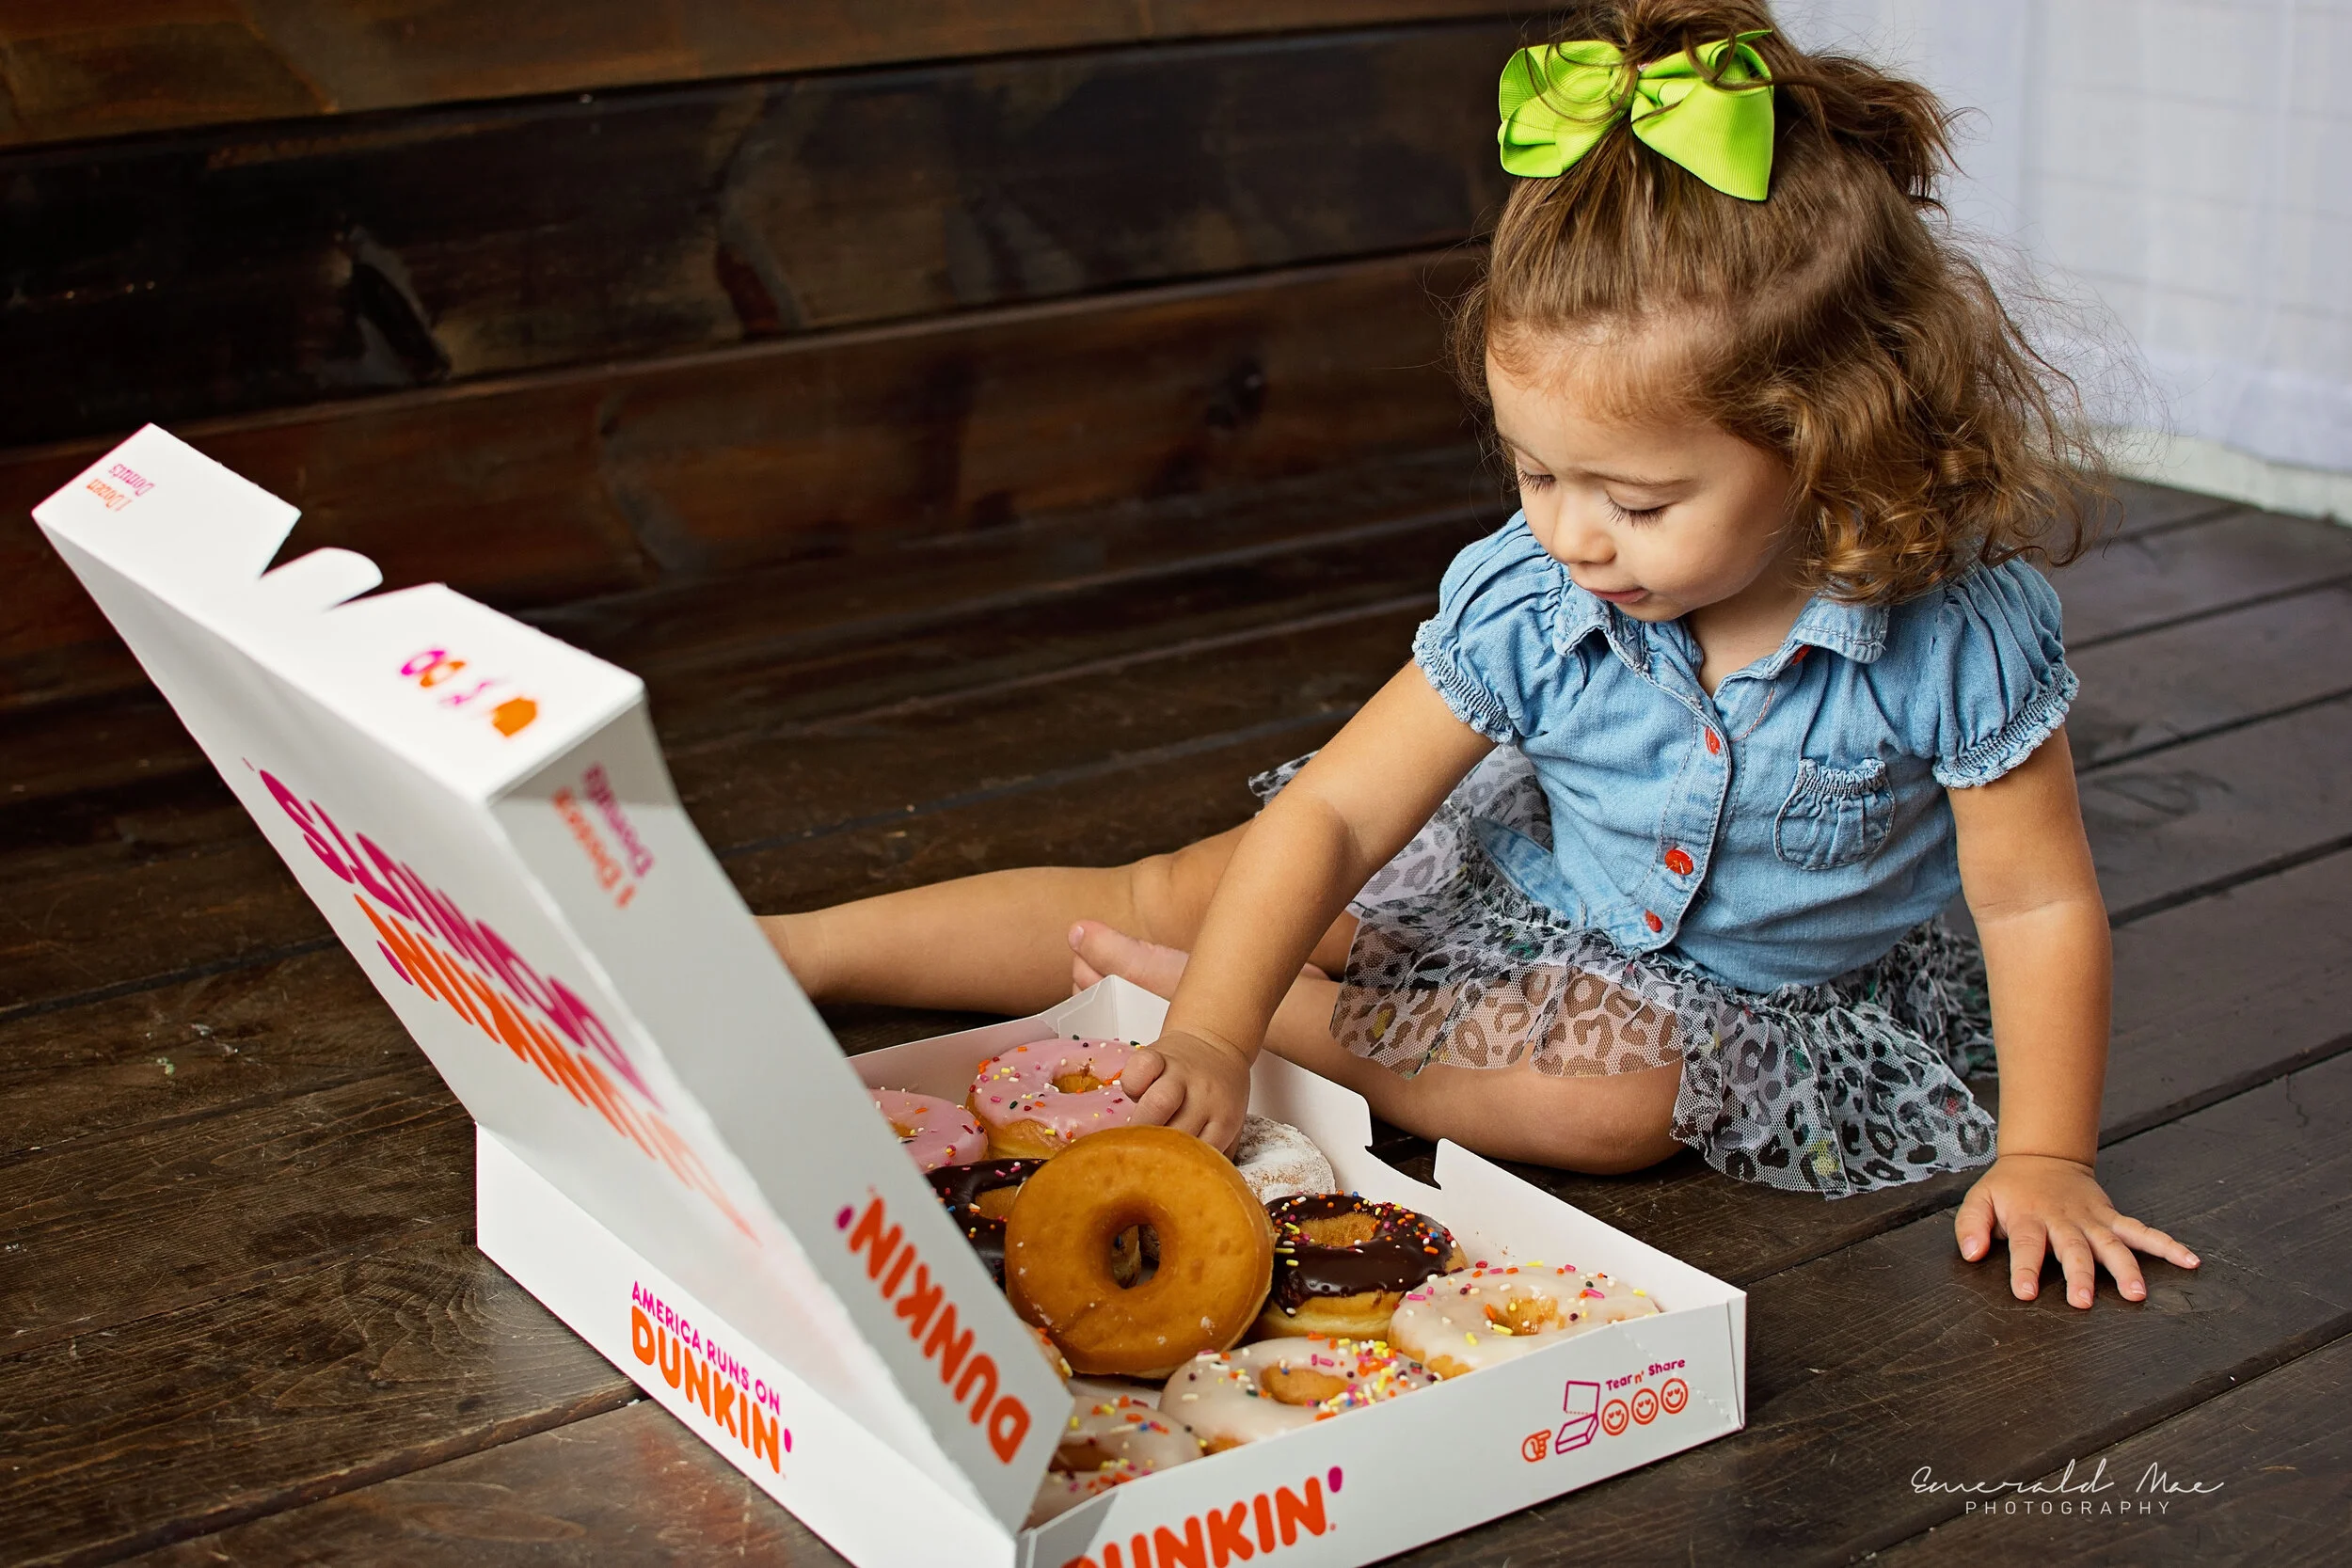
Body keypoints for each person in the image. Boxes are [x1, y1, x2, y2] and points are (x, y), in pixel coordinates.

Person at [763, 0, 2198, 1311]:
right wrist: (1203, 1024)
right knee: (1201, 885)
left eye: (1636, 503)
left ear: (1829, 437)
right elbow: (1333, 809)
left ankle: (1311, 1026)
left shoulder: (1951, 632)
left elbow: (2037, 910)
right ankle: (815, 949)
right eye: (1532, 471)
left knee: (1607, 1113)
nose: (1573, 535)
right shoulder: (1535, 595)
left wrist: (2052, 1153)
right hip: (1521, 885)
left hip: (1749, 1006)